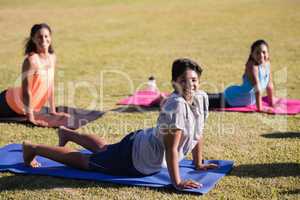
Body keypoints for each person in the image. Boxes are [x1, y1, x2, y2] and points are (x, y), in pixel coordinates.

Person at [22, 58, 218, 190]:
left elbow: (198, 131)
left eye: (194, 80)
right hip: (136, 159)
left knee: (104, 150)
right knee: (87, 162)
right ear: (174, 82)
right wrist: (177, 182)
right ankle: (33, 148)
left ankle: (68, 134)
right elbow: (171, 148)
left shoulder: (201, 98)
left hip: (139, 145)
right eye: (183, 80)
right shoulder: (176, 105)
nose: (190, 85)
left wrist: (198, 163)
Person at [0, 23, 69, 126]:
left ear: (50, 37)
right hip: (9, 103)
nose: (43, 40)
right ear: (33, 39)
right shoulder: (31, 60)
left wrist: (53, 111)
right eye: (39, 37)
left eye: (46, 36)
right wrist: (30, 118)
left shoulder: (52, 57)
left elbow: (50, 84)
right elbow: (26, 91)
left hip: (24, 107)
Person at [208, 39, 275, 112]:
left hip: (242, 100)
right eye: (257, 53)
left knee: (207, 97)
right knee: (203, 100)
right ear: (252, 54)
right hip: (232, 99)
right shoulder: (252, 66)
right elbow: (257, 88)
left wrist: (272, 103)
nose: (261, 55)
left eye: (264, 52)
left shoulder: (267, 64)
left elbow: (270, 85)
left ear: (268, 54)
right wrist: (260, 109)